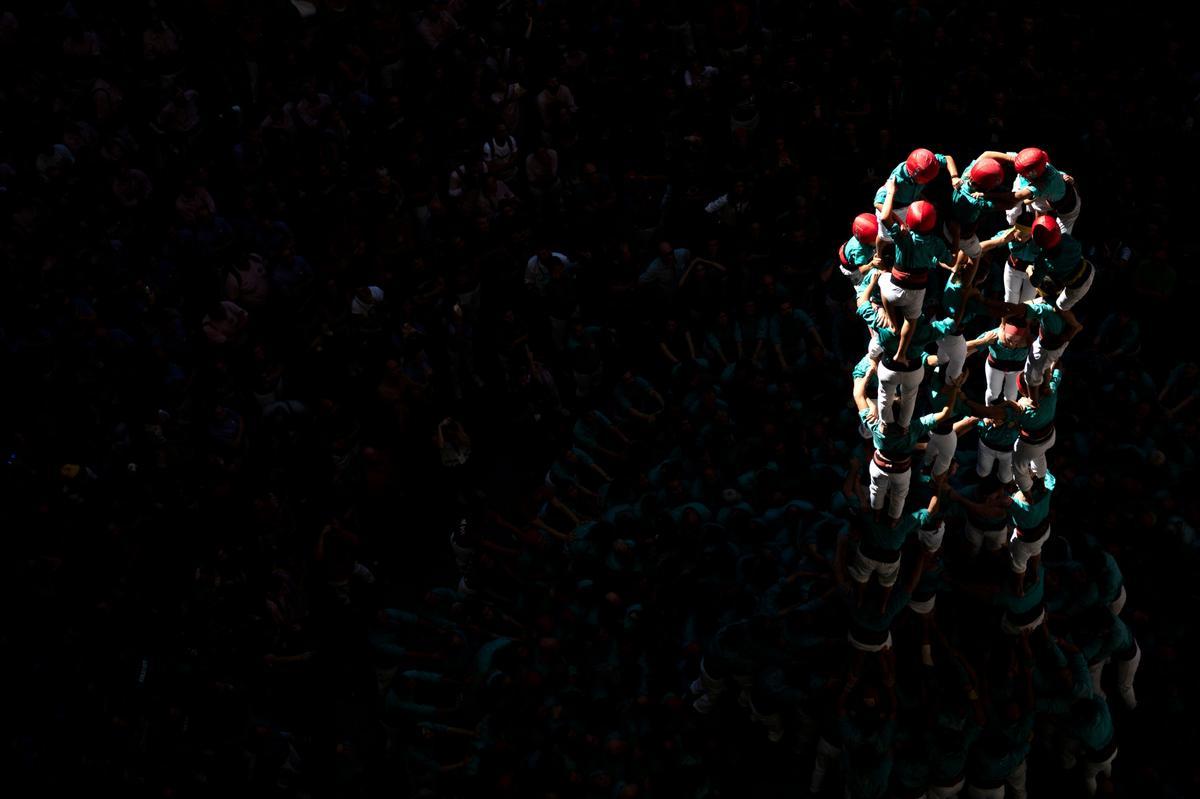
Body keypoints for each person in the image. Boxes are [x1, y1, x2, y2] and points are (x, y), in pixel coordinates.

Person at [860, 371, 965, 524]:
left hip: (879, 465)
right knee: (898, 498)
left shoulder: (876, 423)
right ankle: (893, 523)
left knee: (876, 490)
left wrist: (868, 381)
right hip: (900, 471)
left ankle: (875, 517)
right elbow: (945, 413)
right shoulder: (915, 427)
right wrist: (955, 389)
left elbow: (859, 395)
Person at [873, 148, 961, 238]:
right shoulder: (897, 179)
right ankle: (880, 251)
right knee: (885, 236)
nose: (929, 181)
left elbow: (947, 158)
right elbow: (878, 203)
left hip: (913, 198)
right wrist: (899, 221)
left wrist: (954, 177)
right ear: (914, 176)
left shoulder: (927, 162)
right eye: (926, 180)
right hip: (896, 206)